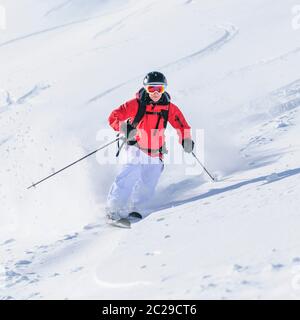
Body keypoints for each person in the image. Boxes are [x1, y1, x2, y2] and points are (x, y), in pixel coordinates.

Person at [106, 71, 194, 222]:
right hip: (136, 146)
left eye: (158, 89)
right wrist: (124, 128)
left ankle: (136, 209)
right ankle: (113, 210)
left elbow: (181, 125)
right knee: (128, 174)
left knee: (149, 182)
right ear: (145, 89)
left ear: (164, 89)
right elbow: (114, 116)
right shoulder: (136, 104)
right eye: (151, 89)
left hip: (156, 151)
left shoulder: (169, 108)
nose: (154, 93)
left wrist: (186, 140)